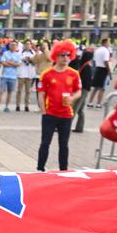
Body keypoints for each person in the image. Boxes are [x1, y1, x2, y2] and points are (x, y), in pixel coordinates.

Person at [35, 41, 82, 172]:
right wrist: (43, 111)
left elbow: (79, 91)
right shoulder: (47, 74)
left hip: (66, 114)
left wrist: (72, 98)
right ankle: (40, 168)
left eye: (68, 55)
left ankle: (63, 170)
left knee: (64, 145)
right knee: (45, 143)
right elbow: (41, 94)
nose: (65, 57)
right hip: (50, 114)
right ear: (56, 56)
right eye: (62, 55)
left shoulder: (74, 74)